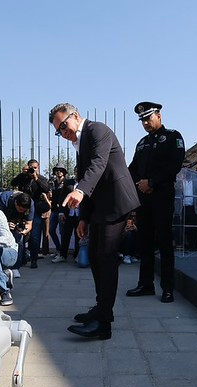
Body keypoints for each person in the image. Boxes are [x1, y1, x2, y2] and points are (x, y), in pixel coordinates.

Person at [50, 103, 140, 340]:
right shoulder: (81, 142)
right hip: (100, 207)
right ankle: (100, 308)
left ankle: (104, 323)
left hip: (116, 202)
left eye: (63, 125)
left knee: (106, 258)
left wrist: (80, 192)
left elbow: (98, 165)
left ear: (75, 116)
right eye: (58, 131)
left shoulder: (98, 130)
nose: (62, 132)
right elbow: (84, 176)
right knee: (95, 257)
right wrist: (83, 218)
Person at [126, 101, 185, 302]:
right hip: (144, 198)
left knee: (164, 242)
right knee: (145, 242)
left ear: (158, 116)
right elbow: (133, 168)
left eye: (148, 118)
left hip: (162, 195)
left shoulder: (172, 137)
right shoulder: (142, 143)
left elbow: (175, 164)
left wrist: (152, 182)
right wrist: (138, 184)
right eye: (142, 120)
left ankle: (168, 288)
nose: (145, 123)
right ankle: (145, 284)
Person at [10, 160, 50, 268]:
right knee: (20, 233)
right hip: (21, 209)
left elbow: (46, 189)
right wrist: (22, 174)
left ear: (38, 168)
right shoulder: (24, 177)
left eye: (35, 168)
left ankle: (34, 259)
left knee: (35, 235)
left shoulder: (41, 179)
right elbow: (13, 183)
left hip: (35, 210)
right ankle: (21, 257)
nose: (33, 170)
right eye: (31, 168)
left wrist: (36, 179)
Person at [49, 163, 70, 263]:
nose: (58, 172)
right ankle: (59, 249)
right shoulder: (52, 183)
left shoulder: (67, 183)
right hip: (54, 210)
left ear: (64, 172)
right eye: (57, 170)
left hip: (63, 211)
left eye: (61, 170)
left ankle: (62, 253)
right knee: (51, 230)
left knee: (63, 232)